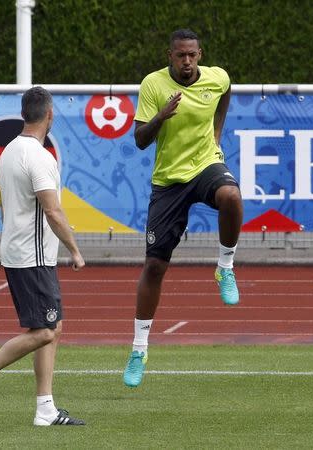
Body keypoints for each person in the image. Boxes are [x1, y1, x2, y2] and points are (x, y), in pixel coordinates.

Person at [0, 86, 86, 426]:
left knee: (52, 325)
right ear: (49, 114)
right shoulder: (40, 157)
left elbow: (3, 205)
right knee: (44, 331)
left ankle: (45, 408)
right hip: (33, 256)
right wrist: (74, 249)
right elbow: (53, 211)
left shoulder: (9, 151)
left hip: (18, 251)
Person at [123, 29, 243, 388]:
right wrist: (161, 116)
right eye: (180, 56)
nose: (187, 61)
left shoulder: (216, 77)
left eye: (192, 55)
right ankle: (139, 349)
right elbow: (140, 140)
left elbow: (225, 92)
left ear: (200, 55)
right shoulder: (153, 85)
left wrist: (216, 135)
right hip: (169, 181)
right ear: (170, 56)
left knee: (232, 197)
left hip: (205, 164)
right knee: (155, 266)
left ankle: (225, 266)